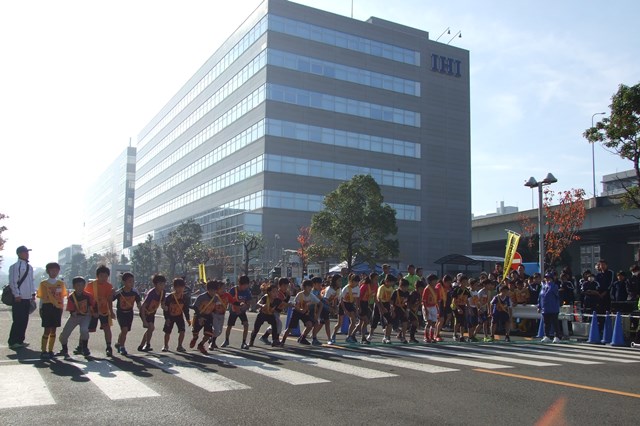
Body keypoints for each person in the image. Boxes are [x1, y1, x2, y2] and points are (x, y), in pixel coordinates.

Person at [57, 276, 96, 358]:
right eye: (78, 285)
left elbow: (93, 306)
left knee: (84, 330)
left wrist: (93, 312)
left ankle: (84, 348)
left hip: (85, 317)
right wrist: (75, 312)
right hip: (74, 317)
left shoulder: (88, 296)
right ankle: (64, 349)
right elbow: (71, 311)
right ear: (74, 286)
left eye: (82, 285)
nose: (80, 287)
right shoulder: (71, 297)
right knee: (64, 335)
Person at [37, 262, 67, 359]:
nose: (54, 272)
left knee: (54, 330)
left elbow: (62, 298)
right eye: (52, 270)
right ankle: (43, 350)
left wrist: (62, 308)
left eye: (56, 270)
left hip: (57, 308)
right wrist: (40, 308)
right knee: (47, 329)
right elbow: (41, 298)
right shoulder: (43, 284)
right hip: (47, 307)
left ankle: (50, 350)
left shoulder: (60, 284)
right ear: (48, 271)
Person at [7, 245, 36, 349]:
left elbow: (31, 282)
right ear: (19, 253)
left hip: (27, 298)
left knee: (24, 319)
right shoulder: (15, 266)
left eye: (27, 252)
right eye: (25, 252)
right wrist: (17, 294)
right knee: (18, 320)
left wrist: (33, 294)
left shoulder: (30, 267)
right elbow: (13, 282)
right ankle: (13, 341)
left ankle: (20, 339)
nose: (27, 254)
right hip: (19, 298)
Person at [85, 265, 115, 356]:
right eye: (102, 276)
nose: (104, 278)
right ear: (97, 276)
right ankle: (82, 346)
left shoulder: (109, 286)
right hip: (92, 310)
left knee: (107, 328)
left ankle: (109, 347)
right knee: (86, 329)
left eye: (106, 276)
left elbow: (109, 300)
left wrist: (111, 312)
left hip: (104, 310)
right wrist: (91, 311)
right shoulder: (91, 285)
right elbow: (86, 299)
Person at [280, 279, 320, 346]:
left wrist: (317, 314)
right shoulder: (300, 295)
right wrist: (300, 310)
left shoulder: (311, 295)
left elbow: (320, 304)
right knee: (290, 328)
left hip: (304, 312)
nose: (310, 288)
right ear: (304, 287)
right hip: (296, 312)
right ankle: (283, 341)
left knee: (310, 324)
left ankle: (302, 338)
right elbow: (295, 305)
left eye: (311, 286)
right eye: (308, 286)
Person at [113, 272, 142, 356]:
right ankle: (122, 347)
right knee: (124, 329)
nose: (132, 283)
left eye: (133, 281)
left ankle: (118, 343)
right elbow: (111, 299)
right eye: (130, 281)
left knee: (125, 331)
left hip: (129, 313)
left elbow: (138, 302)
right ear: (124, 282)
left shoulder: (134, 292)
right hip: (121, 313)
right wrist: (113, 292)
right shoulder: (120, 292)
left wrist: (141, 311)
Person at [221, 275, 252, 350]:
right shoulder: (233, 290)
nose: (245, 287)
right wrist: (233, 307)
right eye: (244, 285)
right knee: (229, 326)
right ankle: (226, 340)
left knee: (246, 324)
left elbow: (249, 301)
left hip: (242, 311)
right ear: (239, 284)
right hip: (233, 310)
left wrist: (246, 306)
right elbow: (229, 299)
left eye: (246, 285)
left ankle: (244, 342)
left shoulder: (247, 291)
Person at [138, 274, 166, 352]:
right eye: (160, 284)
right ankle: (147, 344)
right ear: (155, 284)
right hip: (145, 312)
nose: (162, 286)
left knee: (151, 328)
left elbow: (163, 303)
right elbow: (143, 307)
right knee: (151, 327)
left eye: (163, 284)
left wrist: (164, 307)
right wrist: (144, 321)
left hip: (152, 313)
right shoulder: (151, 293)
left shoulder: (163, 292)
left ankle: (143, 345)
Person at [162, 277, 191, 352]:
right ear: (175, 287)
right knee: (167, 332)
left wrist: (188, 319)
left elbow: (186, 309)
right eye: (178, 287)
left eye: (182, 287)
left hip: (179, 316)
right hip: (170, 316)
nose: (180, 289)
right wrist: (167, 318)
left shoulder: (185, 297)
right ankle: (165, 345)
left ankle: (180, 346)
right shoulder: (170, 297)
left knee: (182, 331)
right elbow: (166, 309)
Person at [260, 277, 290, 345]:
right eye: (284, 286)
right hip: (272, 311)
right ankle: (276, 339)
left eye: (287, 286)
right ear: (279, 286)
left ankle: (265, 336)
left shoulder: (286, 293)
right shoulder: (277, 293)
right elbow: (279, 305)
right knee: (278, 324)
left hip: (277, 311)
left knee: (275, 325)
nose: (286, 287)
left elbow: (283, 304)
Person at [190, 280, 217, 354]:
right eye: (211, 290)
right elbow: (195, 307)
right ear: (207, 290)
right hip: (199, 315)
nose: (213, 292)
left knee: (208, 333)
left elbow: (215, 308)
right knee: (195, 331)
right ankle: (195, 338)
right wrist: (199, 317)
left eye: (215, 290)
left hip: (208, 316)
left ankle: (201, 345)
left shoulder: (216, 298)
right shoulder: (201, 297)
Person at [209, 280, 235, 350]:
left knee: (219, 331)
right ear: (217, 289)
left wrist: (239, 304)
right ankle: (212, 343)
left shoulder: (227, 295)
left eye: (225, 288)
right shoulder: (214, 295)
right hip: (214, 314)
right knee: (216, 330)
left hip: (222, 315)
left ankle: (211, 338)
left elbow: (233, 302)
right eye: (222, 288)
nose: (224, 289)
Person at [538, 272, 562, 343]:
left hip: (553, 308)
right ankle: (546, 336)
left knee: (555, 323)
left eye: (548, 278)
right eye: (546, 278)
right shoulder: (543, 287)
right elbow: (540, 297)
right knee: (546, 323)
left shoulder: (554, 286)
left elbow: (555, 293)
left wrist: (550, 284)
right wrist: (539, 306)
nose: (547, 279)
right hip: (545, 308)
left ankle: (557, 336)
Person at [451, 275, 471, 342]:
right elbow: (454, 300)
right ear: (460, 282)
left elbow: (467, 300)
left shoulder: (467, 290)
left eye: (466, 281)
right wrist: (458, 308)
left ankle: (462, 335)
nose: (465, 283)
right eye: (463, 281)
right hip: (456, 306)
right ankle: (455, 334)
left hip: (463, 306)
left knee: (463, 322)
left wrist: (468, 308)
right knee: (457, 321)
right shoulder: (456, 289)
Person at [391, 279, 410, 344]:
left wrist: (407, 311)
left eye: (407, 287)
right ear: (400, 286)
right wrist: (392, 311)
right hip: (396, 309)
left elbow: (408, 303)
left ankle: (403, 337)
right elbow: (391, 302)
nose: (406, 288)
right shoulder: (395, 292)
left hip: (403, 310)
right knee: (395, 326)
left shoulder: (407, 293)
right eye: (405, 287)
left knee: (405, 323)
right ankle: (388, 336)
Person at [421, 274, 439, 343]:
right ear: (430, 281)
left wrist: (437, 308)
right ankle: (426, 337)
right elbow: (424, 300)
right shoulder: (427, 289)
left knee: (434, 322)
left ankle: (432, 336)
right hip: (427, 307)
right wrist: (425, 309)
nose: (435, 282)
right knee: (429, 322)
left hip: (433, 306)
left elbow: (437, 300)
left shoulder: (436, 289)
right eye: (434, 280)